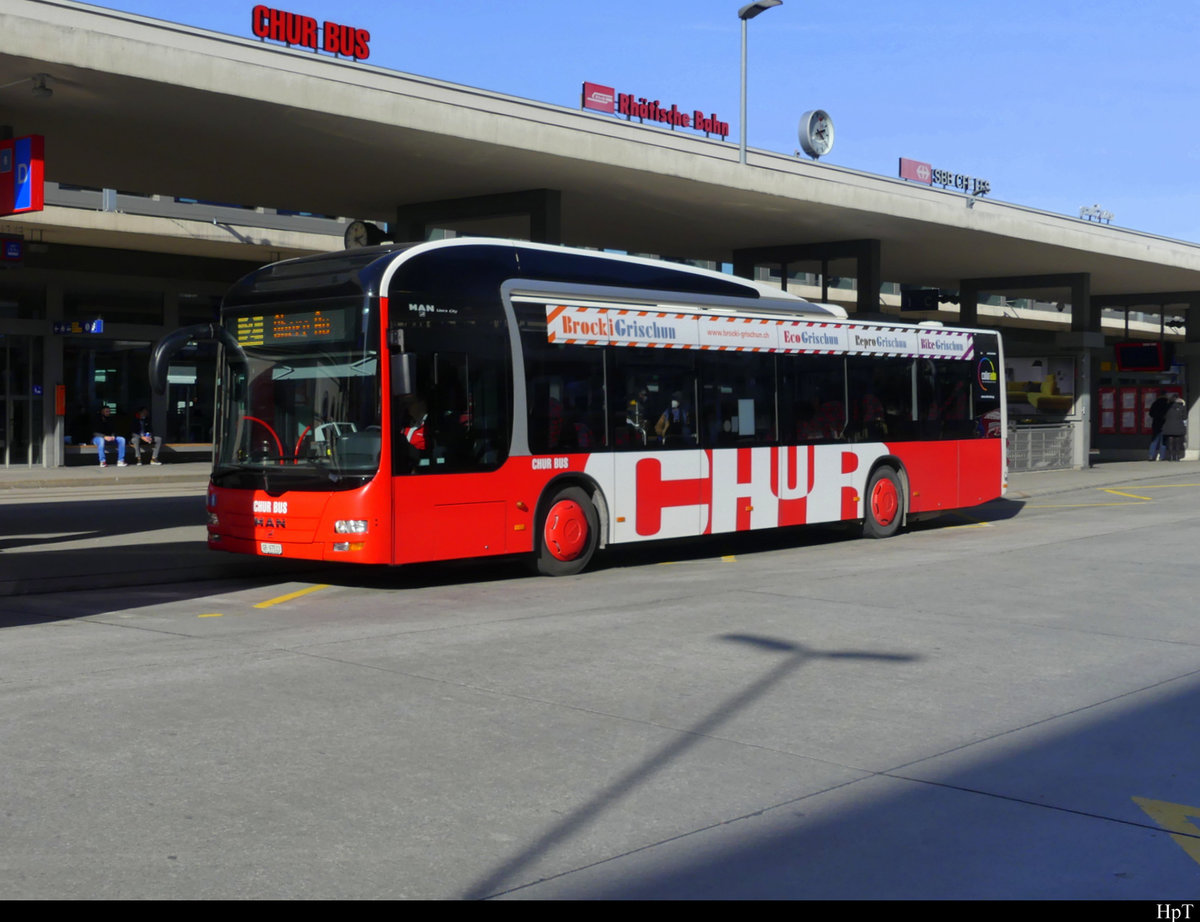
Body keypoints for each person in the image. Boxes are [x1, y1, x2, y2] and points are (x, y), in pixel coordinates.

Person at [1162, 395, 1187, 462]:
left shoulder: (1167, 407)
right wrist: (1184, 404)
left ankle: (1170, 456)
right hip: (1178, 426)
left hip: (1168, 426)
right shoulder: (1181, 407)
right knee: (1178, 441)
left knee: (1170, 440)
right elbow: (1184, 417)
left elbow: (1164, 416)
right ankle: (1177, 456)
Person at [1147, 390, 1170, 461]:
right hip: (1165, 424)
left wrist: (1156, 416)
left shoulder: (1155, 403)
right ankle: (1161, 457)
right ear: (1166, 395)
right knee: (1163, 442)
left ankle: (1151, 456)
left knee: (1154, 440)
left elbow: (1150, 413)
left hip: (1156, 424)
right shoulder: (1168, 404)